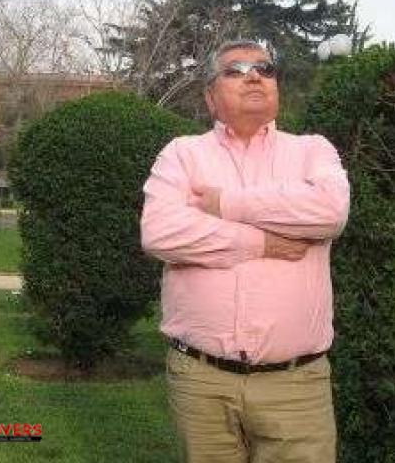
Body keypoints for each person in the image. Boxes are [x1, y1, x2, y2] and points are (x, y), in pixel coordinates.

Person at [140, 39, 350, 463]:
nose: (253, 76)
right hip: (201, 382)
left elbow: (329, 212)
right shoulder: (182, 154)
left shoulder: (312, 150)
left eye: (265, 68)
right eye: (234, 69)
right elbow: (160, 233)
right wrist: (261, 242)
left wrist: (226, 203)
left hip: (295, 386)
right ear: (210, 97)